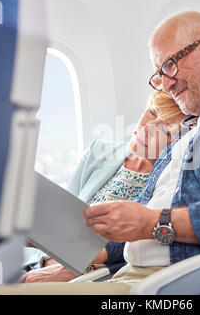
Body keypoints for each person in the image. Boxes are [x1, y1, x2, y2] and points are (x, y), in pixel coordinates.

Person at [0, 10, 200, 295]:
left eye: (170, 65)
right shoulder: (181, 140)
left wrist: (152, 222)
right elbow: (132, 234)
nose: (165, 84)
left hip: (185, 280)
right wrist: (58, 239)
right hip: (127, 277)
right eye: (158, 75)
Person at [20, 90, 187, 283]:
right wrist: (44, 259)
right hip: (45, 260)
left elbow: (135, 252)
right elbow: (60, 218)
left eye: (165, 130)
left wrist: (81, 269)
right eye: (152, 112)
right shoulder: (98, 152)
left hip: (95, 274)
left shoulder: (166, 184)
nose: (147, 128)